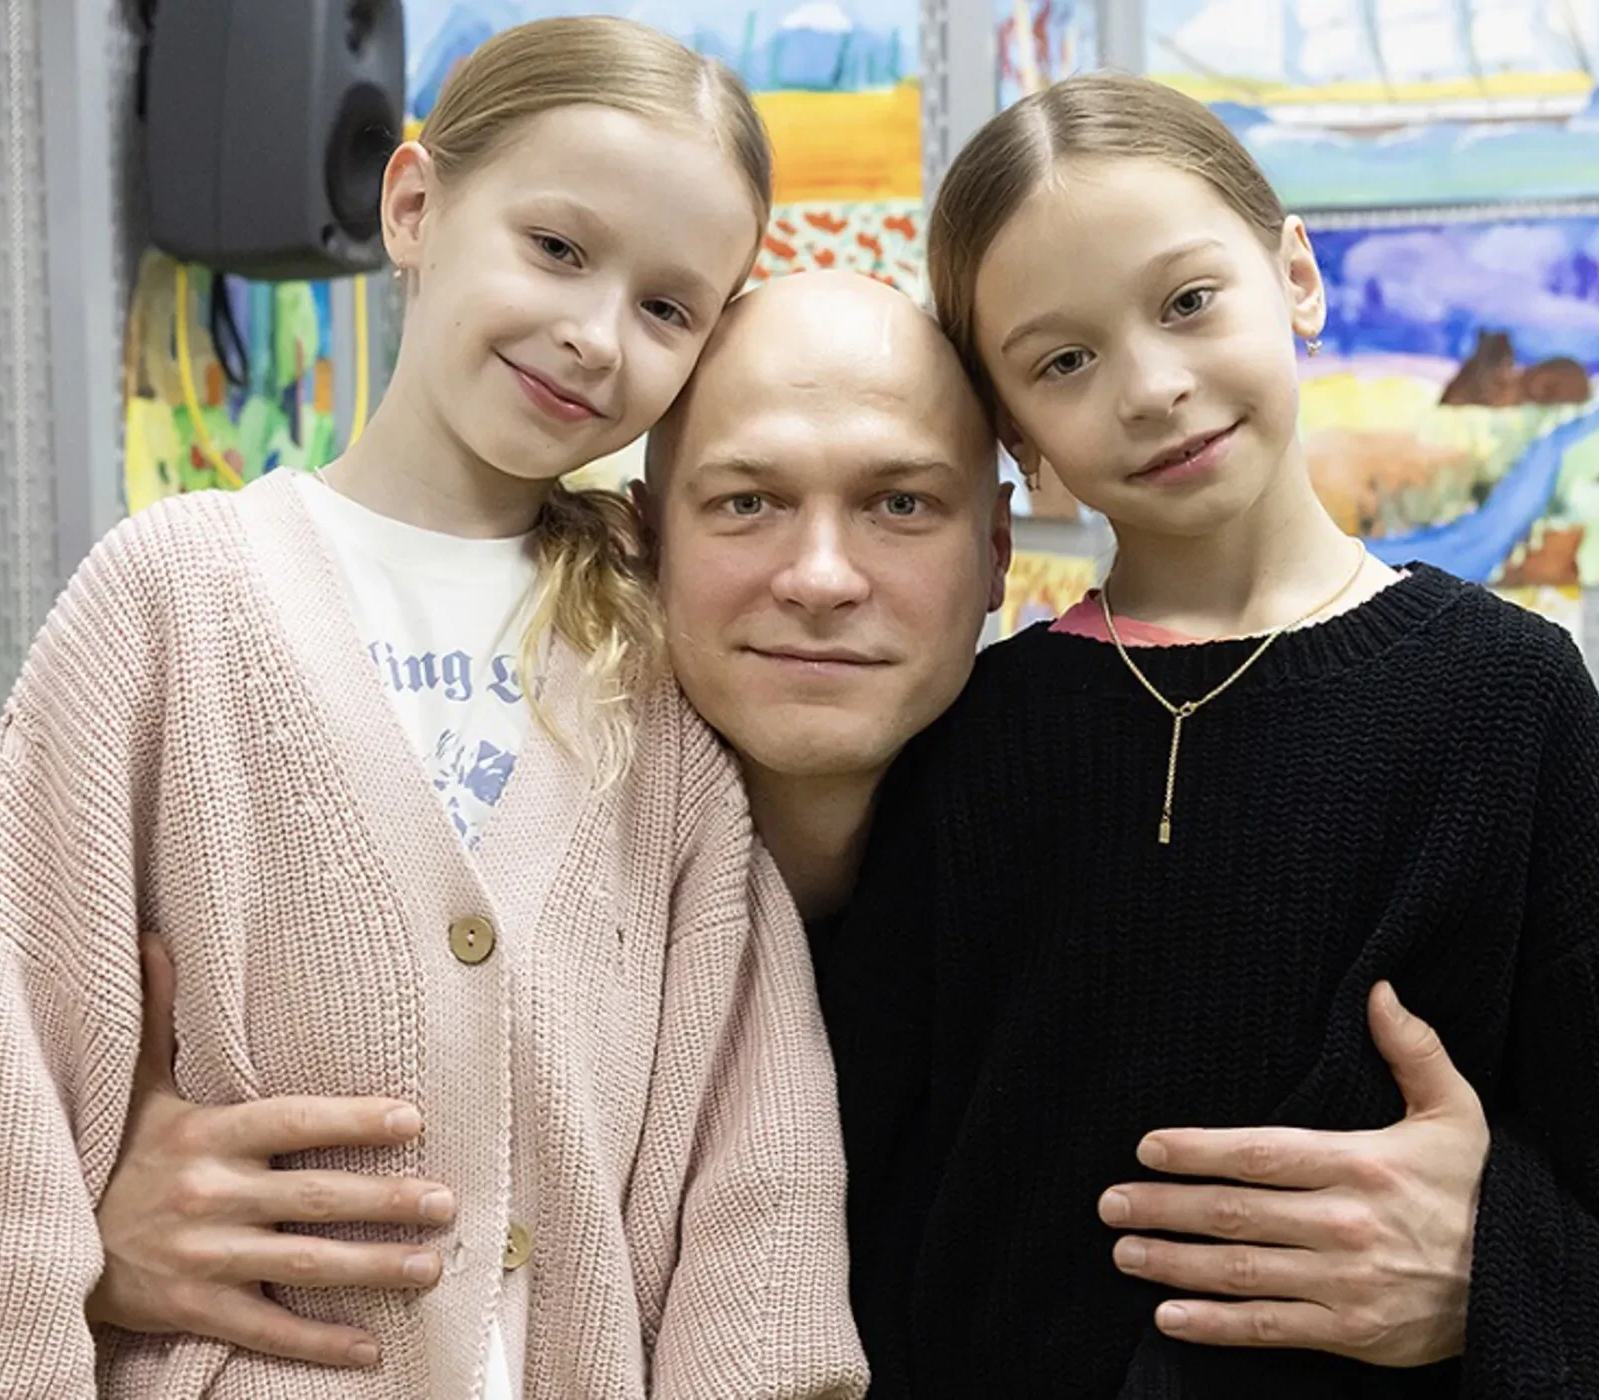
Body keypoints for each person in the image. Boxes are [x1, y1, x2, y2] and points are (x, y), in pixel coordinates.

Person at [83, 270, 1498, 1380]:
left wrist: (1489, 1270)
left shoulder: (1162, 841)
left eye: (899, 504)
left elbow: (1588, 1232)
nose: (821, 577)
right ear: (647, 537)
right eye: (748, 501)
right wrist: (95, 1231)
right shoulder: (410, 836)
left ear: (997, 551)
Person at [0, 19, 867, 1398]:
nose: (593, 333)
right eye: (557, 248)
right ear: (415, 206)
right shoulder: (173, 597)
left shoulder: (661, 656)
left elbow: (755, 1179)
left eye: (667, 309)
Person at [819, 69, 1599, 1398]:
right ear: (1013, 427)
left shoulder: (1511, 703)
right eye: (1063, 360)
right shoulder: (960, 744)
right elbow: (852, 1240)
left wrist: (1488, 1274)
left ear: (1294, 275)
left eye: (1187, 302)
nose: (1151, 386)